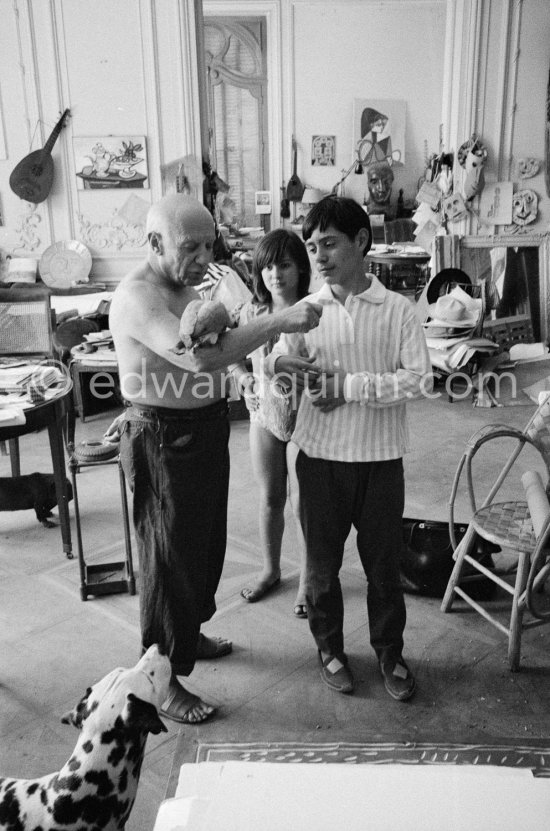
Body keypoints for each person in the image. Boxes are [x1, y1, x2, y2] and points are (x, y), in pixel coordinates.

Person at [109, 194, 322, 725]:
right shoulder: (139, 296)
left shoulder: (187, 288)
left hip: (202, 428)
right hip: (162, 437)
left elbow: (220, 350)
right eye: (191, 247)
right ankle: (162, 678)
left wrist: (249, 369)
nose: (204, 257)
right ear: (154, 242)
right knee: (168, 557)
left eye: (210, 245)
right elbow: (199, 354)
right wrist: (281, 322)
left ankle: (189, 636)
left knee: (203, 546)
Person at [266, 196, 432, 700]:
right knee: (320, 568)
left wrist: (349, 387)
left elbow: (418, 380)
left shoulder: (398, 311)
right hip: (318, 461)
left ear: (362, 242)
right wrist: (280, 372)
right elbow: (276, 363)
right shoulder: (305, 311)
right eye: (312, 246)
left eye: (330, 244)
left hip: (381, 462)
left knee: (383, 567)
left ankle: (389, 651)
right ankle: (330, 648)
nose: (318, 257)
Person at [230, 230, 317, 618]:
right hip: (263, 414)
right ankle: (270, 569)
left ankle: (307, 580)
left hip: (307, 417)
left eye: (284, 265)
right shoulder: (252, 313)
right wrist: (241, 376)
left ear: (300, 267)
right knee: (269, 498)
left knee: (303, 503)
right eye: (266, 267)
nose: (275, 275)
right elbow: (230, 353)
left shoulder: (314, 310)